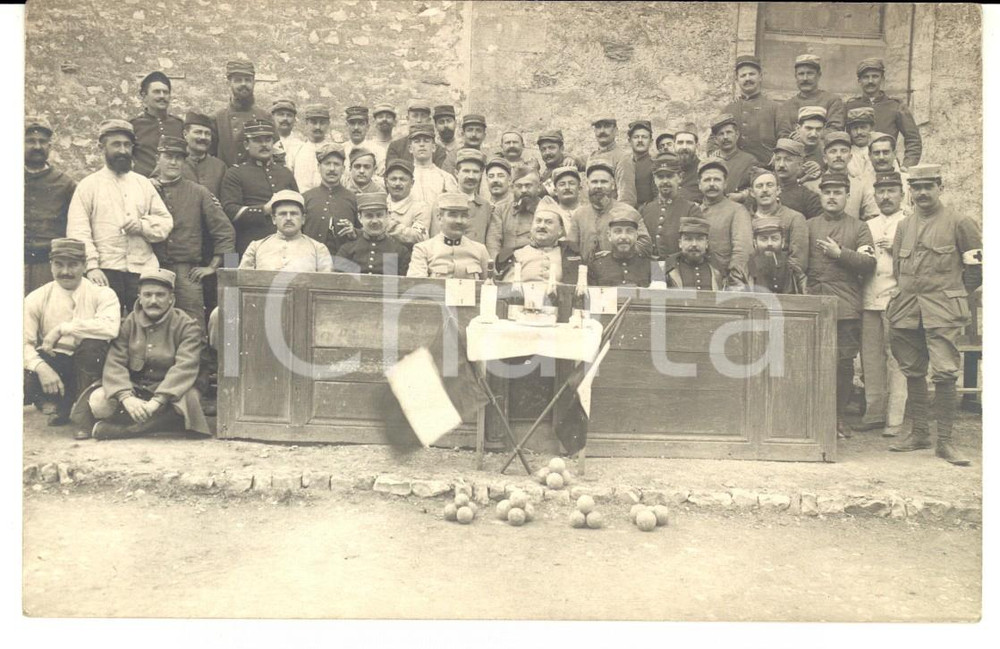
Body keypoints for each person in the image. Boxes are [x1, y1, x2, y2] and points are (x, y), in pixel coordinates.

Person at [886, 165, 982, 465]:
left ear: (941, 187)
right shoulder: (904, 226)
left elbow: (975, 270)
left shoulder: (960, 222)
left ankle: (945, 442)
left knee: (944, 372)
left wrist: (953, 296)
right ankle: (919, 433)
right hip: (908, 308)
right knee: (912, 369)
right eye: (917, 187)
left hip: (943, 310)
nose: (923, 193)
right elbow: (900, 269)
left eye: (929, 186)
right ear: (910, 191)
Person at [71, 268, 211, 440]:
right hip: (137, 388)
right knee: (99, 402)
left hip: (173, 390)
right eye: (148, 295)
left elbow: (184, 368)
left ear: (171, 299)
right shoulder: (129, 323)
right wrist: (126, 398)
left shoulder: (187, 326)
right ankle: (161, 424)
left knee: (188, 403)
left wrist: (157, 401)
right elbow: (115, 363)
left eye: (160, 295)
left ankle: (126, 431)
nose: (153, 301)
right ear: (140, 298)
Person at [66, 119, 173, 313]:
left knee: (143, 325)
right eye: (116, 144)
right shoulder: (88, 186)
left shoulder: (143, 184)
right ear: (102, 147)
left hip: (142, 271)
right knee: (106, 326)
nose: (123, 150)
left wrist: (142, 226)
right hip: (105, 270)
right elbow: (78, 231)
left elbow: (165, 223)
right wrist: (91, 267)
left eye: (127, 145)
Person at [806, 172, 877, 438]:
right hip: (814, 302)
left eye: (838, 192)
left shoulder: (859, 227)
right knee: (812, 361)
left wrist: (841, 254)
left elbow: (869, 263)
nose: (832, 197)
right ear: (821, 195)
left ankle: (837, 417)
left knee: (843, 363)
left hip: (846, 305)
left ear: (847, 196)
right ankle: (813, 416)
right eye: (827, 192)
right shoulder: (809, 224)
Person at [24, 238, 119, 432]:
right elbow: (22, 342)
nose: (66, 272)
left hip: (92, 366)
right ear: (51, 265)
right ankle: (55, 403)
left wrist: (63, 328)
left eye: (73, 265)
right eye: (59, 264)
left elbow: (110, 327)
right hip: (57, 365)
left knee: (92, 345)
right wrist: (42, 368)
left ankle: (82, 414)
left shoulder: (102, 294)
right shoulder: (37, 297)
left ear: (84, 265)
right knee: (25, 373)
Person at [151, 136, 236, 330]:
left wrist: (213, 266)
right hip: (152, 268)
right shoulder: (144, 188)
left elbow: (225, 232)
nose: (173, 162)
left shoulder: (199, 192)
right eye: (168, 156)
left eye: (179, 158)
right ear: (158, 158)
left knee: (193, 327)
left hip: (186, 272)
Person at [856, 171, 909, 437]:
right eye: (881, 192)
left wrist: (896, 248)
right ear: (875, 195)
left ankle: (895, 418)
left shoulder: (910, 222)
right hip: (869, 298)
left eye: (891, 191)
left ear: (902, 194)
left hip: (897, 299)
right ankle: (874, 412)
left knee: (896, 359)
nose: (886, 197)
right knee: (871, 359)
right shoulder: (867, 224)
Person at [219, 118, 298, 256]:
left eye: (268, 140)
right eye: (257, 140)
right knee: (240, 276)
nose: (264, 144)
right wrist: (265, 209)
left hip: (285, 248)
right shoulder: (235, 173)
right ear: (246, 144)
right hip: (246, 246)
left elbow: (298, 207)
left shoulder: (285, 173)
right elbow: (230, 211)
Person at [25, 115, 76, 294]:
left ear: (50, 146)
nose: (37, 146)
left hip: (47, 265)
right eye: (30, 141)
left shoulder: (65, 184)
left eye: (42, 141)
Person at [846, 58, 922, 168]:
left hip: (886, 164)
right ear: (859, 81)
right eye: (866, 77)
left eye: (875, 76)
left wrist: (907, 166)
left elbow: (913, 140)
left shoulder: (896, 106)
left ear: (882, 79)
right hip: (856, 165)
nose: (870, 81)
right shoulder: (850, 106)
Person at [569, 162, 652, 262]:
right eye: (594, 182)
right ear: (587, 185)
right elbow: (571, 249)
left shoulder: (628, 212)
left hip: (619, 271)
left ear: (612, 185)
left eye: (604, 182)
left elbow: (646, 246)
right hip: (588, 273)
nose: (599, 186)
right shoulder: (579, 215)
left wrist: (617, 253)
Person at [240, 190, 334, 272]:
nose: (288, 218)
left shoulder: (318, 249)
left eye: (294, 214)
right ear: (273, 219)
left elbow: (326, 288)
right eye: (283, 214)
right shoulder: (256, 247)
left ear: (303, 219)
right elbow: (242, 282)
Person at [722, 54, 787, 165]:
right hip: (735, 169)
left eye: (752, 74)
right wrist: (718, 154)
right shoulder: (729, 109)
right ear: (737, 79)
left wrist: (778, 157)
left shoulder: (774, 108)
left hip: (766, 170)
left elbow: (784, 137)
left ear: (760, 76)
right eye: (743, 75)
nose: (748, 79)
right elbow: (713, 139)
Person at [407, 193, 490, 279]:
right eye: (453, 215)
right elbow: (417, 287)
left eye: (464, 215)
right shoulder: (423, 250)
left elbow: (490, 287)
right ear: (439, 217)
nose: (459, 221)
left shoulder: (480, 250)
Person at [497, 201, 582, 284]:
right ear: (531, 227)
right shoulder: (517, 254)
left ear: (560, 230)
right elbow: (506, 290)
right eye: (538, 221)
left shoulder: (571, 254)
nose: (542, 226)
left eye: (549, 222)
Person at [697, 158, 753, 284]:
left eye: (717, 179)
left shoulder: (737, 210)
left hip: (725, 281)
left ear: (725, 183)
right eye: (707, 180)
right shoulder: (695, 211)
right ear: (699, 184)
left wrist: (734, 279)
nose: (712, 184)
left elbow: (743, 249)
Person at [638, 152, 702, 261]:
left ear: (680, 177)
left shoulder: (691, 210)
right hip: (654, 268)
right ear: (654, 179)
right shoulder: (645, 210)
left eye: (670, 176)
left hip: (681, 269)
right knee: (657, 278)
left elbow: (695, 246)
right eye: (660, 177)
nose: (665, 181)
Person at [804, 131, 880, 221]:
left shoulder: (861, 185)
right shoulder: (811, 186)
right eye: (833, 151)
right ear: (824, 158)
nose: (838, 155)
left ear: (850, 157)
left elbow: (871, 217)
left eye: (843, 151)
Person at [748, 169, 809, 274]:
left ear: (778, 190)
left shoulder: (794, 218)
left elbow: (798, 261)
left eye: (770, 185)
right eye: (759, 186)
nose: (765, 190)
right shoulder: (745, 220)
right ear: (752, 193)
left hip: (784, 282)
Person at [302, 141, 358, 256]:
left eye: (336, 164)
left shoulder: (353, 199)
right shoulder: (306, 198)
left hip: (344, 262)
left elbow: (364, 233)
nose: (332, 169)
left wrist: (354, 232)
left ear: (343, 168)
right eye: (327, 164)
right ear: (319, 167)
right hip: (311, 260)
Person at [334, 193, 410, 276]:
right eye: (369, 216)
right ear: (360, 218)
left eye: (379, 215)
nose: (375, 221)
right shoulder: (347, 250)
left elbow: (401, 285)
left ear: (387, 216)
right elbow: (338, 282)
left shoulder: (399, 251)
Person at [212, 60, 270, 167]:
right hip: (227, 180)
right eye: (238, 80)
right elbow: (210, 159)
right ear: (229, 83)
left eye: (247, 80)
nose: (243, 84)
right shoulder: (218, 119)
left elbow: (277, 156)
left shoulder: (265, 117)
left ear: (254, 83)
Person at [130, 71, 184, 177]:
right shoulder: (133, 126)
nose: (162, 96)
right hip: (144, 185)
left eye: (166, 92)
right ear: (144, 96)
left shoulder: (179, 125)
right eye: (157, 92)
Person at [732, 216, 806, 294]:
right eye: (764, 239)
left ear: (783, 242)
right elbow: (737, 301)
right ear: (755, 243)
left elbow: (808, 298)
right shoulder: (740, 272)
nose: (769, 244)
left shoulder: (794, 272)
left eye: (774, 239)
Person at [432, 148, 490, 243]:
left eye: (475, 172)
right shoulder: (442, 202)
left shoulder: (486, 206)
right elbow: (435, 239)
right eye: (466, 171)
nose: (471, 176)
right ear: (456, 173)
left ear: (481, 174)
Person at [780, 54, 845, 136]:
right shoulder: (787, 106)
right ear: (795, 76)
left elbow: (835, 130)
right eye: (801, 74)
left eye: (810, 73)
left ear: (819, 75)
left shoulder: (832, 101)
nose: (805, 78)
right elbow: (783, 133)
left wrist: (807, 136)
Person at [486, 166, 543, 258]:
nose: (523, 190)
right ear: (512, 188)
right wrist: (496, 267)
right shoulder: (501, 211)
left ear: (539, 187)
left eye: (528, 185)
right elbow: (493, 244)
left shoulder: (548, 210)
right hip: (508, 266)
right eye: (519, 186)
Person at [588, 211, 654, 288]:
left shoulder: (651, 267)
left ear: (636, 236)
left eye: (629, 231)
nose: (623, 237)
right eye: (618, 231)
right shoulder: (596, 266)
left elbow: (660, 297)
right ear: (609, 236)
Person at [662, 217, 724, 290]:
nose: (694, 244)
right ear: (680, 243)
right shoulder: (664, 268)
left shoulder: (718, 270)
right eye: (688, 239)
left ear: (706, 244)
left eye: (699, 239)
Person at [587, 116, 637, 208]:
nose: (602, 131)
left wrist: (617, 219)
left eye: (607, 126)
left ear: (616, 131)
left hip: (612, 215)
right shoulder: (592, 156)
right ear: (594, 131)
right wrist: (568, 157)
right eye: (598, 127)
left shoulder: (623, 158)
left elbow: (627, 198)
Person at [385, 100, 450, 169]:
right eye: (415, 116)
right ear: (408, 118)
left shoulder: (438, 150)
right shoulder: (396, 147)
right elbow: (392, 174)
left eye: (423, 116)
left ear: (429, 119)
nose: (419, 120)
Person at [770, 138, 823, 219]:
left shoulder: (809, 198)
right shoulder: (765, 191)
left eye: (788, 160)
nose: (781, 165)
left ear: (799, 165)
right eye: (778, 159)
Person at [408, 123, 459, 207]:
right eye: (417, 141)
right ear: (410, 148)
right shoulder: (404, 177)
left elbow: (453, 207)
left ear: (434, 147)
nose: (422, 144)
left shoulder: (445, 178)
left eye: (426, 141)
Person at [179, 111, 227, 198]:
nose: (203, 137)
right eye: (198, 132)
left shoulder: (220, 167)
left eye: (207, 134)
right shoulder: (174, 162)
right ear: (185, 134)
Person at [384, 158, 430, 246]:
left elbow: (419, 237)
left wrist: (390, 226)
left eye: (402, 179)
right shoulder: (379, 202)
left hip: (406, 256)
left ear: (412, 183)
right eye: (393, 179)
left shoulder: (420, 207)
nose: (397, 183)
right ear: (386, 182)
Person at [708, 114, 757, 196]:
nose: (725, 137)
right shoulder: (710, 162)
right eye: (721, 134)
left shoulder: (749, 161)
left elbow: (756, 187)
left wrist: (742, 196)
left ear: (737, 135)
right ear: (716, 139)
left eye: (729, 132)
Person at [291, 104, 332, 192]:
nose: (318, 127)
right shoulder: (296, 150)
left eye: (322, 123)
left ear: (328, 124)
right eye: (314, 122)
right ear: (306, 123)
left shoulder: (334, 151)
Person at [537, 129, 584, 194]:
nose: (547, 152)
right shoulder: (549, 169)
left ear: (562, 149)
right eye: (543, 149)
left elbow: (541, 192)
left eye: (551, 148)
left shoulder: (565, 167)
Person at [548, 166, 584, 234]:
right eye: (562, 184)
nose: (567, 187)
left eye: (571, 183)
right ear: (555, 191)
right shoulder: (550, 214)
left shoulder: (589, 213)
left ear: (579, 189)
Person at [845, 107, 877, 183]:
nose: (859, 132)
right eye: (855, 128)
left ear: (871, 129)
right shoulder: (846, 154)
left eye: (863, 127)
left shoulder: (880, 152)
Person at [628, 120, 656, 207]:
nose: (640, 140)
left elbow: (658, 197)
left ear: (651, 141)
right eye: (636, 137)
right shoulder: (622, 163)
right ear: (629, 141)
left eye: (644, 137)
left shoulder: (655, 165)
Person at [270, 99, 304, 169]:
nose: (285, 118)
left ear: (294, 119)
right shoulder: (265, 143)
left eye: (289, 115)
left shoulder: (301, 146)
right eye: (281, 114)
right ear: (272, 118)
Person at [673, 124, 702, 203]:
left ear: (697, 146)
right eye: (680, 142)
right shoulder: (667, 170)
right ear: (674, 145)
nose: (684, 147)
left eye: (689, 142)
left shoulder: (704, 171)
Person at [368, 102, 397, 174]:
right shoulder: (367, 146)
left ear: (395, 122)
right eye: (380, 117)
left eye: (388, 117)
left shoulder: (399, 146)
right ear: (374, 122)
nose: (384, 119)